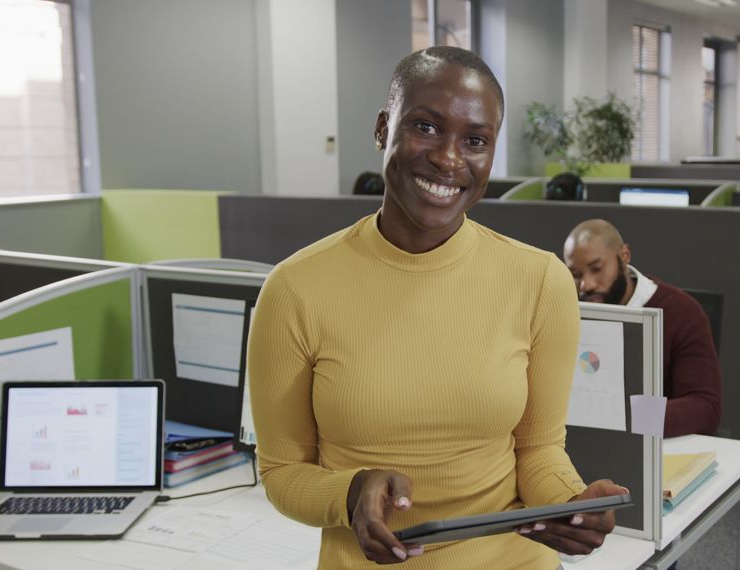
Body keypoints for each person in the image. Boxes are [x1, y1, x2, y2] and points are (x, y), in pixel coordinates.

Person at [248, 46, 626, 569]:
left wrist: (569, 502)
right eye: (425, 127)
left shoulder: (540, 281)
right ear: (384, 129)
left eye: (475, 140)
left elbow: (537, 450)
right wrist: (350, 493)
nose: (449, 158)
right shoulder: (295, 289)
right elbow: (282, 472)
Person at [563, 219, 722, 437]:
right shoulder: (564, 310)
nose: (586, 285)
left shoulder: (681, 312)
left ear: (624, 256)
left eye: (596, 269)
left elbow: (705, 408)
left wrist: (625, 417)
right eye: (575, 274)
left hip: (651, 447)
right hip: (574, 443)